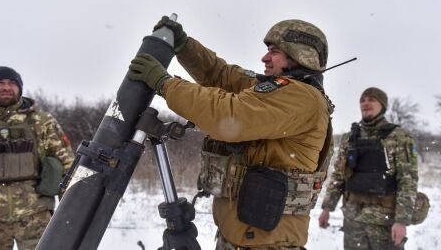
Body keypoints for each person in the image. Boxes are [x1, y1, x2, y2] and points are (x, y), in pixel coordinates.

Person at [128, 17, 334, 249]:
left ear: (299, 55)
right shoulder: (276, 91)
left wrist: (165, 83)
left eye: (274, 52)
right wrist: (185, 46)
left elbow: (228, 117)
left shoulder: (301, 97)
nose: (264, 58)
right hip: (238, 240)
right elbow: (222, 76)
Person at [0, 66, 74, 250]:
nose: (6, 87)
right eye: (0, 83)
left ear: (20, 88)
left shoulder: (42, 122)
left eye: (12, 83)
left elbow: (68, 166)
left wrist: (71, 212)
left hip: (35, 214)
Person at [318, 87, 419, 250]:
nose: (366, 103)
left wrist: (401, 221)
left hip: (384, 221)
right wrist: (327, 208)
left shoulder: (399, 136)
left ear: (383, 105)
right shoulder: (350, 138)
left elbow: (408, 181)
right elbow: (339, 175)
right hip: (353, 219)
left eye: (371, 99)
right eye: (362, 100)